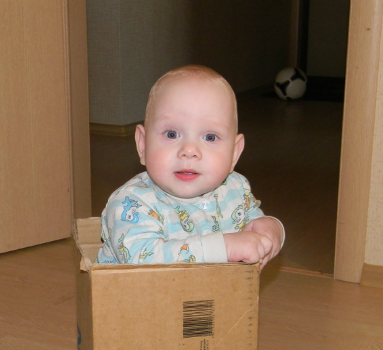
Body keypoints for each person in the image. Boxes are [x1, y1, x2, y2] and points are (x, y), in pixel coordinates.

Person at [96, 65, 284, 269]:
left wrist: (271, 228)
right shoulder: (131, 203)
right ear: (143, 145)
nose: (189, 150)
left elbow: (254, 222)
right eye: (171, 134)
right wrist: (224, 248)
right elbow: (141, 260)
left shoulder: (236, 189)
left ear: (234, 153)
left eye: (210, 137)